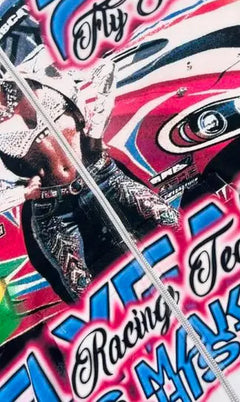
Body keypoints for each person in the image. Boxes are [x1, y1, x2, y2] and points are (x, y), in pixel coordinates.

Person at [0, 55, 178, 303]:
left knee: (173, 224)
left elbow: (105, 70)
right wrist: (22, 194)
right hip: (56, 212)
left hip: (102, 178)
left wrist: (95, 133)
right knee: (85, 293)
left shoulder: (39, 69)